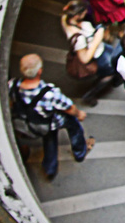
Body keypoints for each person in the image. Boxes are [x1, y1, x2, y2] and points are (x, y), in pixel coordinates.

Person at [8, 53, 94, 181]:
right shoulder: (49, 93)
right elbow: (68, 108)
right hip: (47, 123)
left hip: (29, 123)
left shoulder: (12, 85)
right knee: (73, 125)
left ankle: (50, 168)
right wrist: (79, 114)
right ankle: (80, 152)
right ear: (39, 71)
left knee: (50, 139)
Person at [60, 0, 121, 95]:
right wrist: (97, 38)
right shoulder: (79, 38)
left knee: (113, 59)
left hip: (101, 48)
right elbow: (85, 59)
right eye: (84, 13)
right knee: (110, 72)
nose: (86, 14)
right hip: (99, 57)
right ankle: (91, 94)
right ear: (77, 16)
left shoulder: (65, 19)